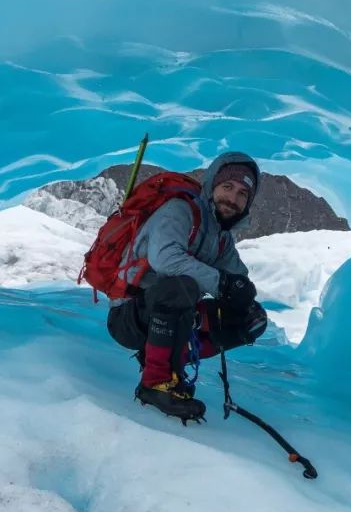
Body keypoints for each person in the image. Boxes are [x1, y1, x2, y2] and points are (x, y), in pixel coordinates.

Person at [106, 152, 269, 423]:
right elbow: (166, 259)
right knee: (181, 286)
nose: (233, 198)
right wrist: (222, 284)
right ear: (212, 186)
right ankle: (154, 383)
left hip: (170, 313)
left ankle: (169, 356)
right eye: (227, 187)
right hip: (128, 317)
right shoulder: (180, 211)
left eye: (243, 193)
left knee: (252, 319)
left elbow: (237, 278)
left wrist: (241, 294)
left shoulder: (221, 237)